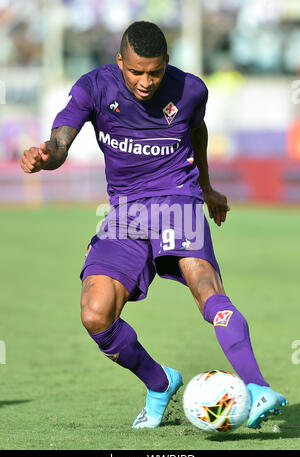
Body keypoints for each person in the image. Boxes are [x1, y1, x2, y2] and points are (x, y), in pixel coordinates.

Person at [21, 21, 286, 430]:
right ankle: (159, 381)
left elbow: (195, 130)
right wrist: (44, 157)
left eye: (155, 72)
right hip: (125, 211)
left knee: (204, 286)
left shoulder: (191, 89)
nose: (146, 81)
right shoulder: (93, 87)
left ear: (167, 65)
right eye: (136, 72)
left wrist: (209, 189)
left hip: (177, 198)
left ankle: (258, 386)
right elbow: (59, 145)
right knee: (95, 315)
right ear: (119, 62)